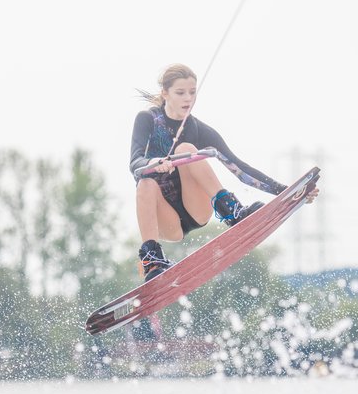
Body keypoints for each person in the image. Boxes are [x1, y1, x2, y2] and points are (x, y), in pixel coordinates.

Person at [131, 63, 318, 281]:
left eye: (192, 92)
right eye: (180, 93)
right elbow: (135, 163)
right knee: (145, 182)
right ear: (165, 93)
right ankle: (153, 261)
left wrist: (289, 192)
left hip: (195, 209)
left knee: (186, 150)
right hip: (166, 221)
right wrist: (154, 163)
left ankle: (233, 213)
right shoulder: (147, 120)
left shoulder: (198, 129)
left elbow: (240, 169)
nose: (188, 99)